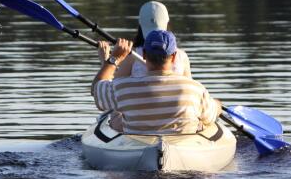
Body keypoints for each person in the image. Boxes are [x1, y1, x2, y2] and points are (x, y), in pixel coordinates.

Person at [92, 30, 221, 136]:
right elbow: (210, 116)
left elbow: (97, 90)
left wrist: (113, 59)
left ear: (144, 54)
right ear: (174, 56)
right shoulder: (195, 89)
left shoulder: (123, 88)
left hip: (136, 147)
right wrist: (217, 104)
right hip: (181, 151)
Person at [112, 1, 191, 79]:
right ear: (167, 23)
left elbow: (113, 86)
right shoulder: (182, 56)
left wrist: (108, 60)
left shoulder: (130, 56)